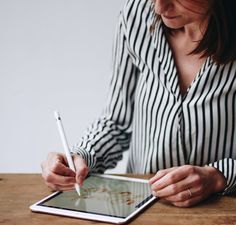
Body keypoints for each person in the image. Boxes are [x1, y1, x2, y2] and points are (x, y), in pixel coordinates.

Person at [41, 0, 236, 207]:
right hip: (141, 207)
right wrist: (80, 158)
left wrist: (218, 177)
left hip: (222, 214)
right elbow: (116, 122)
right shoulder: (137, 15)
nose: (159, 9)